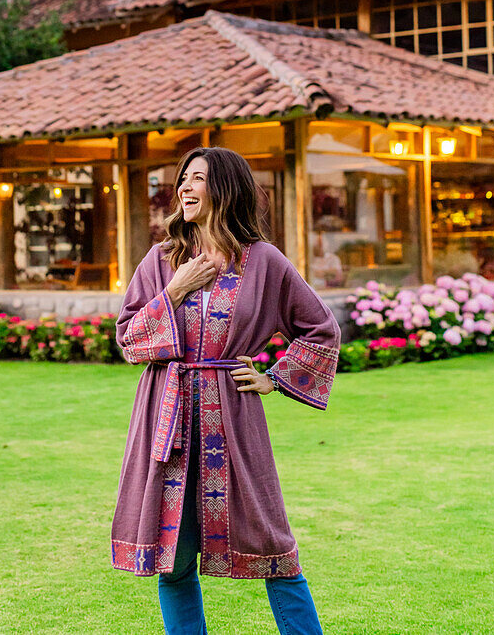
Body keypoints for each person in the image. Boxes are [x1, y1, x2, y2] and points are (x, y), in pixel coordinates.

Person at [111, 147, 341, 635]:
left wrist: (274, 378)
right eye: (183, 179)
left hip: (232, 417)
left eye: (198, 178)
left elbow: (320, 327)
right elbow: (129, 339)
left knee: (274, 546)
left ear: (226, 189)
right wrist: (174, 289)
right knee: (173, 556)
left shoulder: (264, 262)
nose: (185, 188)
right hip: (165, 414)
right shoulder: (162, 260)